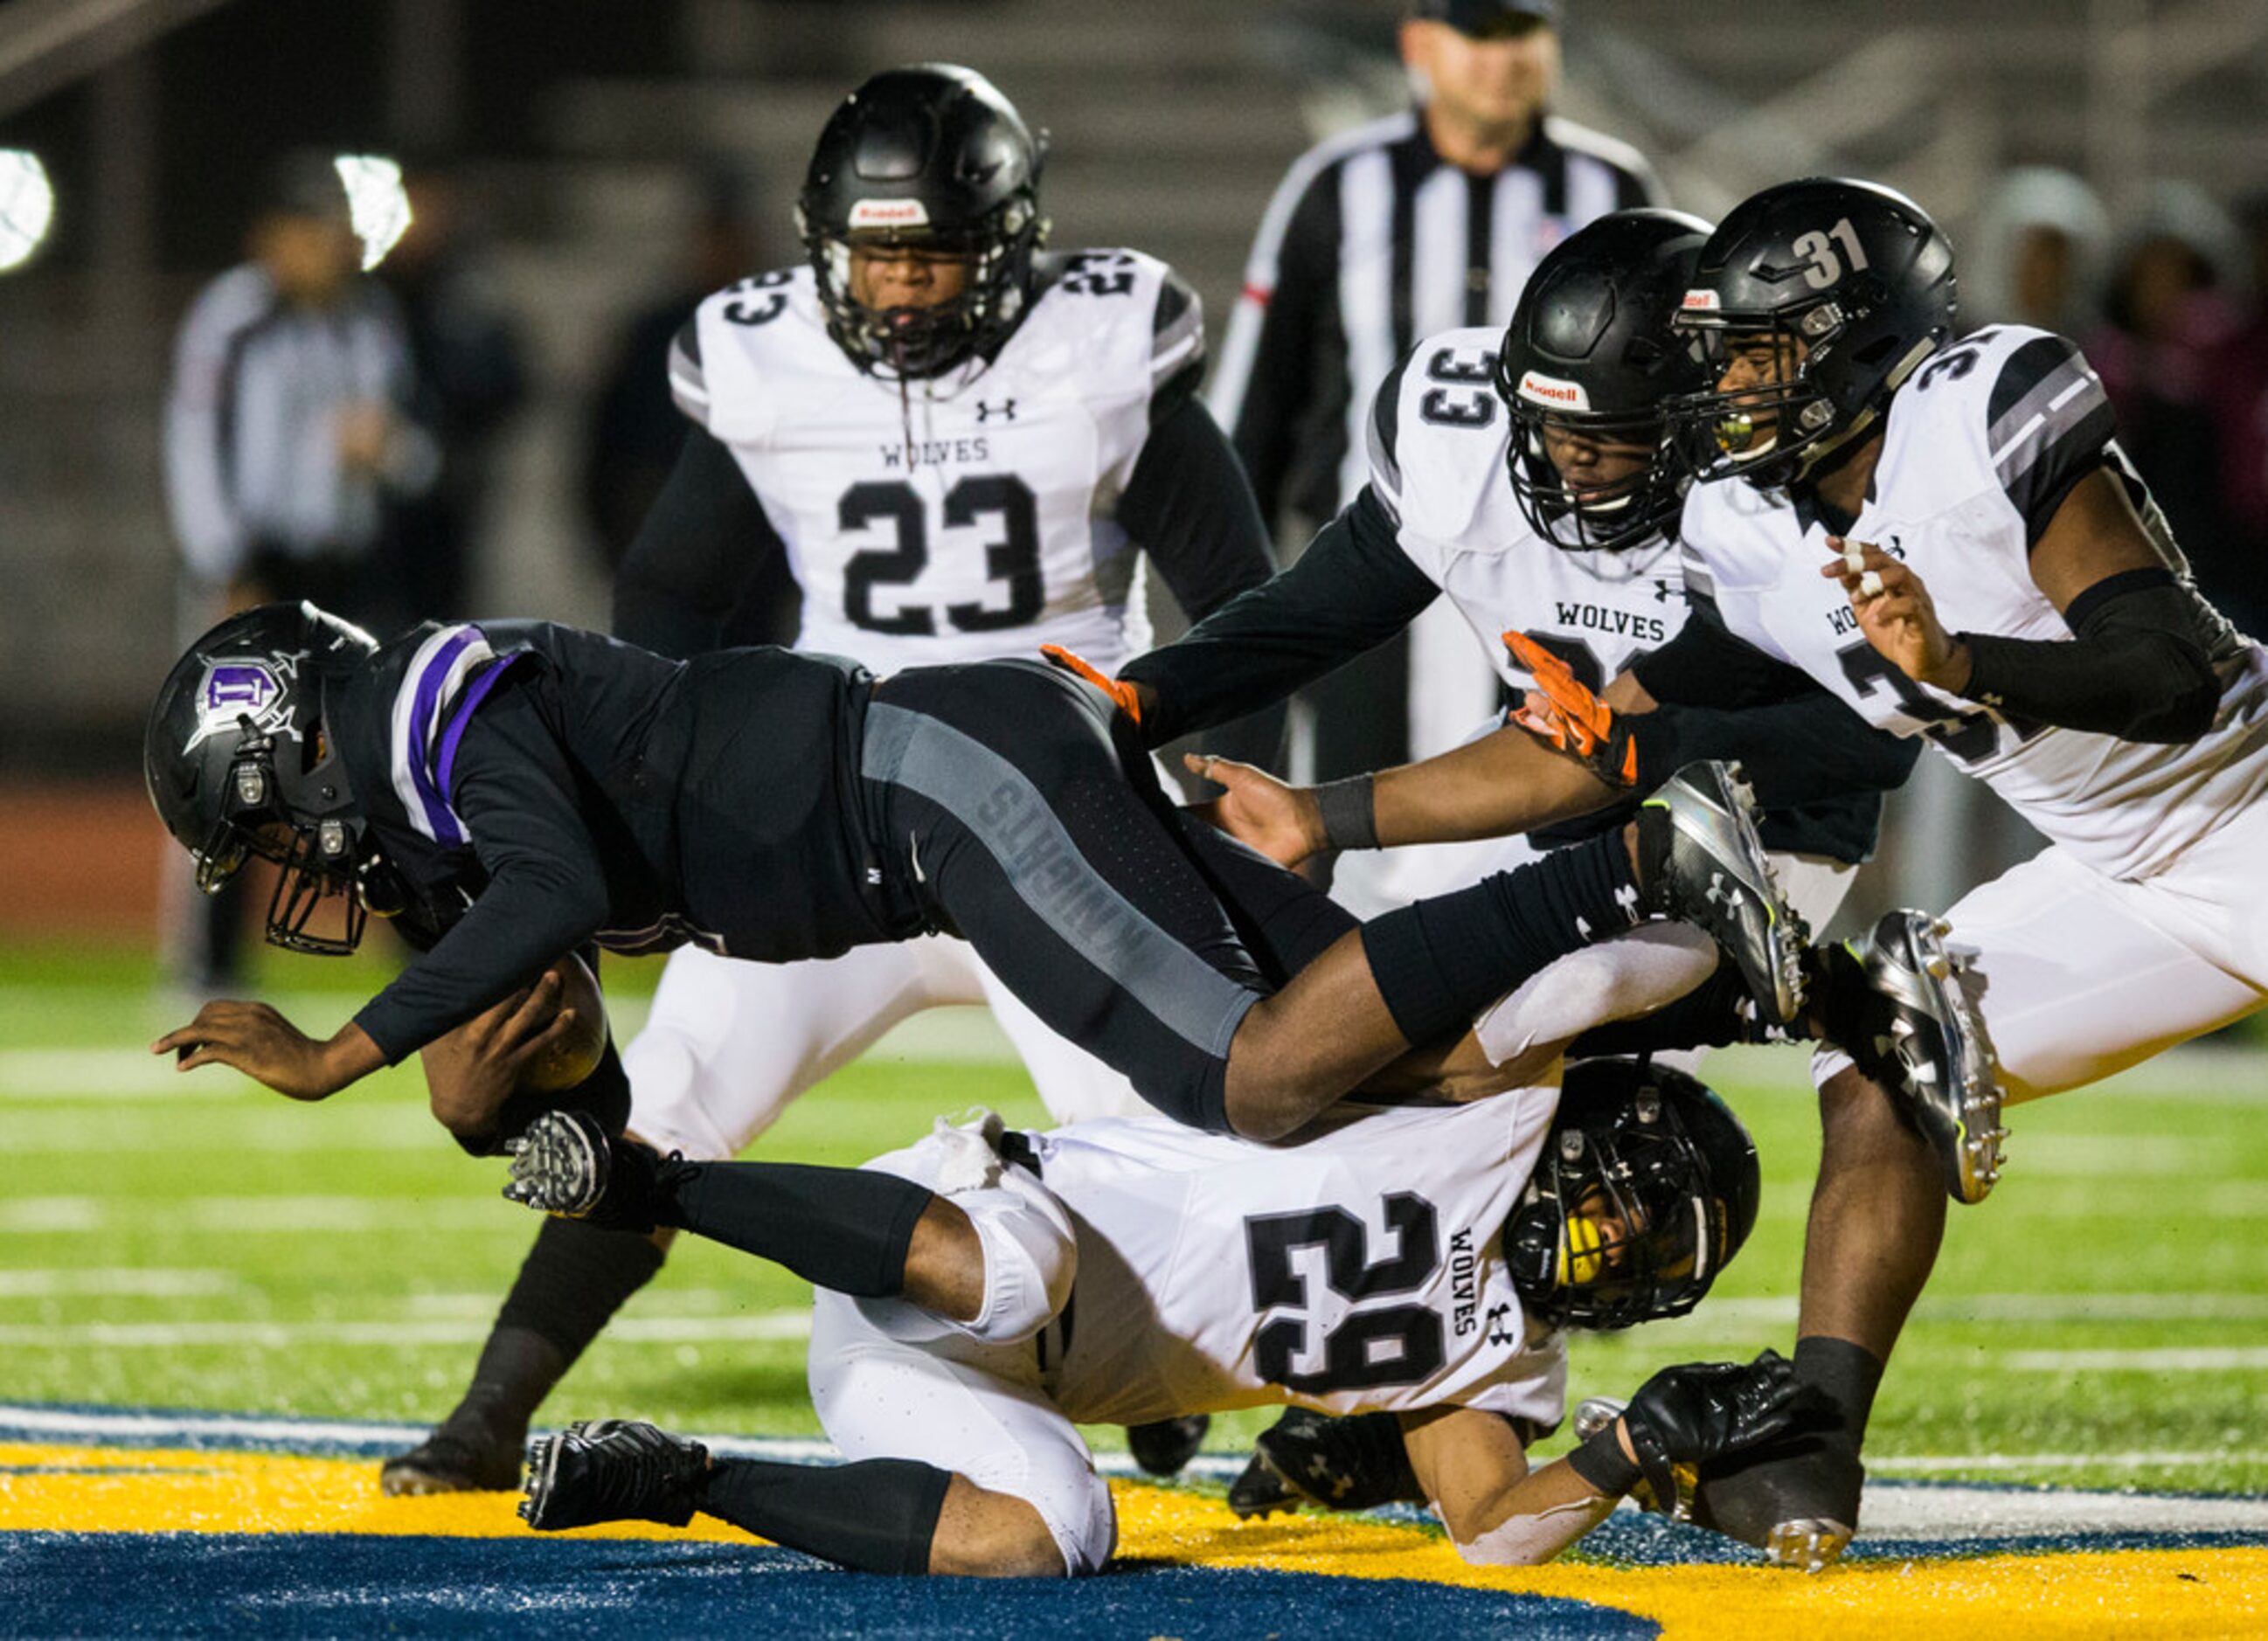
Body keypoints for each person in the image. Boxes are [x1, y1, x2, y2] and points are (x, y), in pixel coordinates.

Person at [384, 64, 1291, 1496]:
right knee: (664, 1098)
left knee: (1179, 1128)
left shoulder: (1098, 342)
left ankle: (1159, 1378)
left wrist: (1230, 784)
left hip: (1053, 822)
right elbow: (672, 592)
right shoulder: (766, 361)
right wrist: (674, 799)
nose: (907, 289)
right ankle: (491, 1409)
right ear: (825, 246)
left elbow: (1240, 599)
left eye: (933, 254)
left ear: (1006, 242)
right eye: (879, 256)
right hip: (834, 823)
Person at [1640, 176, 2265, 1567]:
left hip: (2249, 803)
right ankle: (1809, 1441)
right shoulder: (1748, 527)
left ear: (1858, 341)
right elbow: (1612, 706)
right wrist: (1337, 816)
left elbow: (2176, 672)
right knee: (1878, 1044)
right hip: (2118, 864)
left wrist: (1963, 661)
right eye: (1725, 353)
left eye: (1764, 348)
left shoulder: (1976, 413)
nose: (1734, 383)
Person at [503, 1059, 1810, 1576]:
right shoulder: (1484, 1104)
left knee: (1052, 1537)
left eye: (1640, 1259)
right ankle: (647, 1181)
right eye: (1619, 1208)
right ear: (1576, 1130)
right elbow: (1565, 974)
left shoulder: (1508, 1354)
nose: (1606, 1249)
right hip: (962, 1222)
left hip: (941, 1380)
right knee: (1016, 1279)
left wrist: (1624, 1450)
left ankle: (678, 1474)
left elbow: (1488, 1531)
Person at [1210, 0, 1661, 892]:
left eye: (1522, 34)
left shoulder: (1612, 186)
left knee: (1534, 844)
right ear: (1420, 46)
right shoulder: (1339, 182)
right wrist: (1243, 604)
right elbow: (1257, 401)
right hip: (1375, 569)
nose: (1504, 58)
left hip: (1553, 575)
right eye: (1480, 35)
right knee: (1337, 852)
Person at [161, 149, 429, 994]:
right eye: (313, 230)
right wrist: (226, 565)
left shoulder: (370, 320)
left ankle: (414, 938)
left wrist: (391, 452)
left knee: (369, 754)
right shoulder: (232, 319)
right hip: (257, 563)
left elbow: (413, 453)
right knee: (225, 759)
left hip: (342, 567)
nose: (329, 249)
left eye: (336, 232)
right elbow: (194, 448)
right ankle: (208, 960)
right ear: (271, 237)